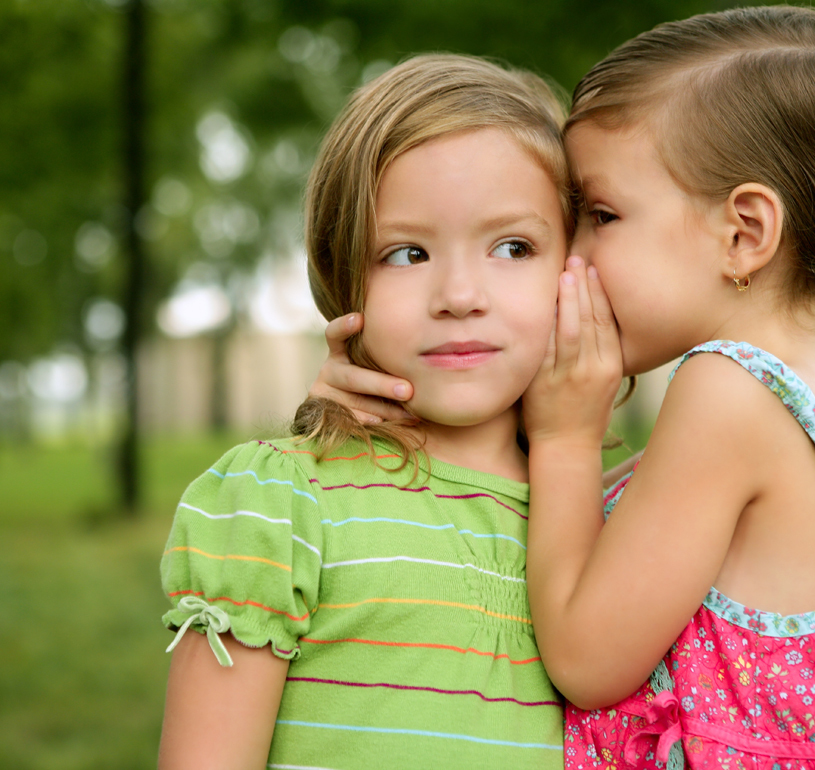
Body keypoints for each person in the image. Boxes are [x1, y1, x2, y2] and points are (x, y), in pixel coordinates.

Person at [308, 7, 815, 770]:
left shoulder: (726, 394)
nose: (572, 256)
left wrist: (567, 437)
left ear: (745, 233)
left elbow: (584, 658)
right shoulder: (807, 411)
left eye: (601, 215)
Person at [157, 54, 574, 769]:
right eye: (407, 253)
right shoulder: (281, 501)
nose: (460, 294)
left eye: (513, 247)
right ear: (340, 270)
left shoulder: (595, 514)